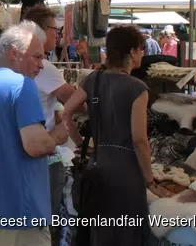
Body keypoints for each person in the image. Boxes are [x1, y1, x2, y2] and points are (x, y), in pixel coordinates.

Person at [63, 25, 169, 246]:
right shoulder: (137, 88)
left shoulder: (94, 79)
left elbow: (67, 110)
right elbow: (139, 139)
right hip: (125, 173)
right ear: (132, 52)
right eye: (141, 49)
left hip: (98, 165)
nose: (143, 53)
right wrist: (150, 181)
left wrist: (81, 143)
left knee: (101, 234)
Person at [0, 21, 65, 246]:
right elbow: (35, 145)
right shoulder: (22, 84)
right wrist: (58, 135)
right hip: (20, 215)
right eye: (37, 57)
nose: (41, 65)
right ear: (15, 54)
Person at [22, 6, 75, 246]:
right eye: (56, 29)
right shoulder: (45, 68)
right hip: (43, 152)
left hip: (33, 150)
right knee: (44, 223)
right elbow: (72, 100)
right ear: (42, 31)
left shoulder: (21, 65)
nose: (58, 35)